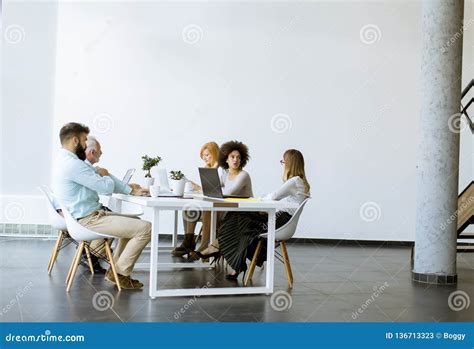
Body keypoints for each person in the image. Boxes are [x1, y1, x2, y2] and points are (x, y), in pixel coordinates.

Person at [54, 122, 151, 289]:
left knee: (134, 221)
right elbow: (105, 188)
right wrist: (104, 175)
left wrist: (128, 189)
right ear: (75, 140)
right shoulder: (73, 165)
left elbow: (100, 175)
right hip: (88, 220)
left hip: (87, 217)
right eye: (85, 140)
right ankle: (120, 274)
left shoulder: (67, 160)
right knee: (146, 228)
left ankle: (117, 271)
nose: (85, 145)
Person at [199, 149, 310, 280]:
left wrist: (260, 199)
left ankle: (218, 248)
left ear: (290, 163)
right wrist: (262, 199)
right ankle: (228, 256)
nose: (283, 164)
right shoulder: (299, 182)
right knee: (239, 218)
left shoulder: (295, 181)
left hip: (281, 221)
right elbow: (274, 196)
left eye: (283, 161)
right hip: (282, 218)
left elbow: (274, 196)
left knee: (241, 220)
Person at [190, 140, 253, 261]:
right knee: (207, 210)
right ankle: (204, 247)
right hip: (230, 210)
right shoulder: (226, 174)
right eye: (232, 157)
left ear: (242, 160)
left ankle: (206, 248)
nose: (235, 160)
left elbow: (229, 192)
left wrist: (215, 187)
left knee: (210, 211)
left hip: (244, 213)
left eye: (238, 157)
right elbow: (215, 188)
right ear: (226, 159)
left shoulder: (243, 175)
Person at [172, 142, 220, 257]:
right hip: (210, 202)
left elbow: (217, 191)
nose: (205, 158)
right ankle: (189, 241)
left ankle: (204, 245)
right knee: (189, 207)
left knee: (207, 211)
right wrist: (197, 188)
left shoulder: (221, 168)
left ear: (214, 154)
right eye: (203, 156)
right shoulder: (207, 168)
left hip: (220, 207)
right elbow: (209, 190)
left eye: (207, 155)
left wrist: (197, 187)